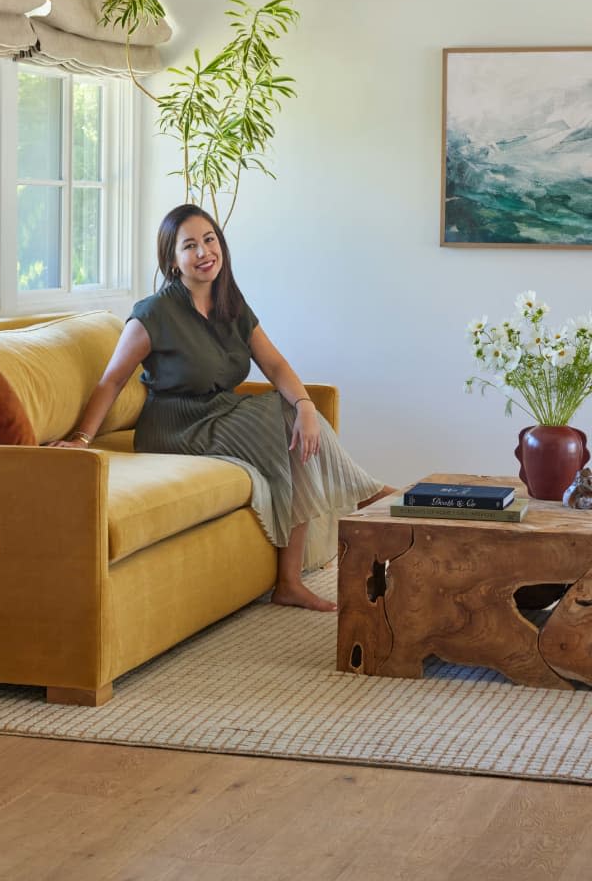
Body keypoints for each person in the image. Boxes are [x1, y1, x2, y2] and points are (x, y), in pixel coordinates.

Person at [52, 204, 394, 611]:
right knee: (284, 422)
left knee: (294, 421)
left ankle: (292, 579)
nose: (203, 252)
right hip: (176, 426)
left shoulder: (230, 302)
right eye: (189, 245)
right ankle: (373, 496)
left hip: (220, 411)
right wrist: (81, 438)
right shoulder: (153, 314)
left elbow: (275, 364)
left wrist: (304, 404)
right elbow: (112, 380)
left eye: (209, 240)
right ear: (172, 260)